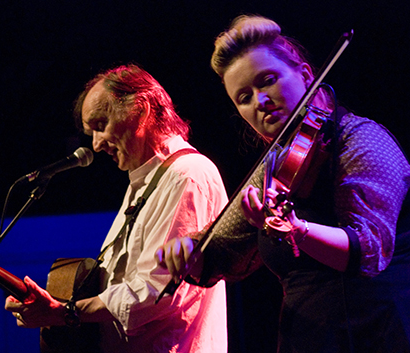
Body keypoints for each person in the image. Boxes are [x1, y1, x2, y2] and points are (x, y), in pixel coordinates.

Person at [156, 15, 410, 353]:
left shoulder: (361, 138)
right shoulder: (275, 166)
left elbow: (369, 249)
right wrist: (188, 251)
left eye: (268, 81)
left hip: (377, 330)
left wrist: (296, 230)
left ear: (306, 75)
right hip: (306, 336)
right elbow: (220, 252)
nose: (259, 101)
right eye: (243, 97)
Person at [4, 64, 228, 353]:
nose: (95, 145)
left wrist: (65, 313)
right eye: (90, 133)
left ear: (142, 108)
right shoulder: (143, 181)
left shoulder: (187, 174)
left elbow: (157, 290)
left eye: (100, 125)